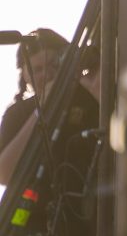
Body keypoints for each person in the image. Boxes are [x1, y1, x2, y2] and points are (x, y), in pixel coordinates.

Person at [0, 30, 96, 189]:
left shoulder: (89, 94)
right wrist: (41, 110)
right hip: (42, 202)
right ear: (25, 76)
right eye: (37, 70)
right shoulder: (18, 113)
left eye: (53, 64)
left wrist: (79, 78)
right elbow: (4, 174)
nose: (47, 74)